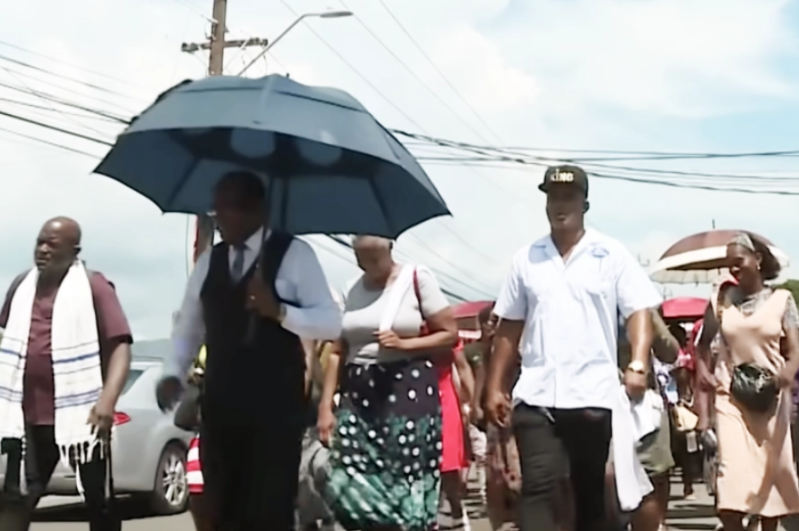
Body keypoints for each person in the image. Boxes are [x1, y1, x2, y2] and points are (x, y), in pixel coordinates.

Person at [157, 171, 342, 531]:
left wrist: (281, 312)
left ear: (256, 210)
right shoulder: (211, 261)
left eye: (228, 208)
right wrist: (172, 373)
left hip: (275, 409)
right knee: (222, 506)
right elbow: (189, 327)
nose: (219, 217)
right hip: (223, 405)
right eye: (217, 208)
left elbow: (330, 323)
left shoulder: (293, 255)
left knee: (268, 509)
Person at [486, 165, 662, 531]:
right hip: (536, 394)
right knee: (538, 486)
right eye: (553, 197)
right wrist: (494, 385)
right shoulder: (526, 259)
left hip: (591, 394)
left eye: (568, 197)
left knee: (588, 493)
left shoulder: (610, 254)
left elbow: (638, 312)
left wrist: (639, 363)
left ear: (584, 203)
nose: (559, 204)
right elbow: (510, 327)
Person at [0, 217, 133, 531]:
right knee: (16, 497)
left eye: (52, 244)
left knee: (99, 503)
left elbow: (121, 347)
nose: (43, 250)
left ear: (74, 251)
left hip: (81, 421)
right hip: (29, 420)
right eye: (40, 242)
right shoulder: (22, 286)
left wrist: (107, 401)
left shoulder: (94, 286)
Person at [318, 235, 458, 531]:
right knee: (347, 480)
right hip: (358, 393)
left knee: (401, 483)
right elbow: (337, 351)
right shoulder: (351, 289)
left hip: (406, 390)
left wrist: (405, 345)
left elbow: (449, 333)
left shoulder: (417, 278)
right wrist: (326, 406)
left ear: (390, 248)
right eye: (361, 260)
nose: (368, 266)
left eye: (374, 259)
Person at [695, 232, 799, 531]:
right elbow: (703, 345)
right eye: (730, 264)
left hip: (771, 397)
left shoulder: (782, 300)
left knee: (772, 475)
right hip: (731, 396)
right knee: (731, 481)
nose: (734, 268)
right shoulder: (722, 300)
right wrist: (703, 369)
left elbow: (795, 350)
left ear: (758, 259)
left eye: (739, 261)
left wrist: (788, 371)